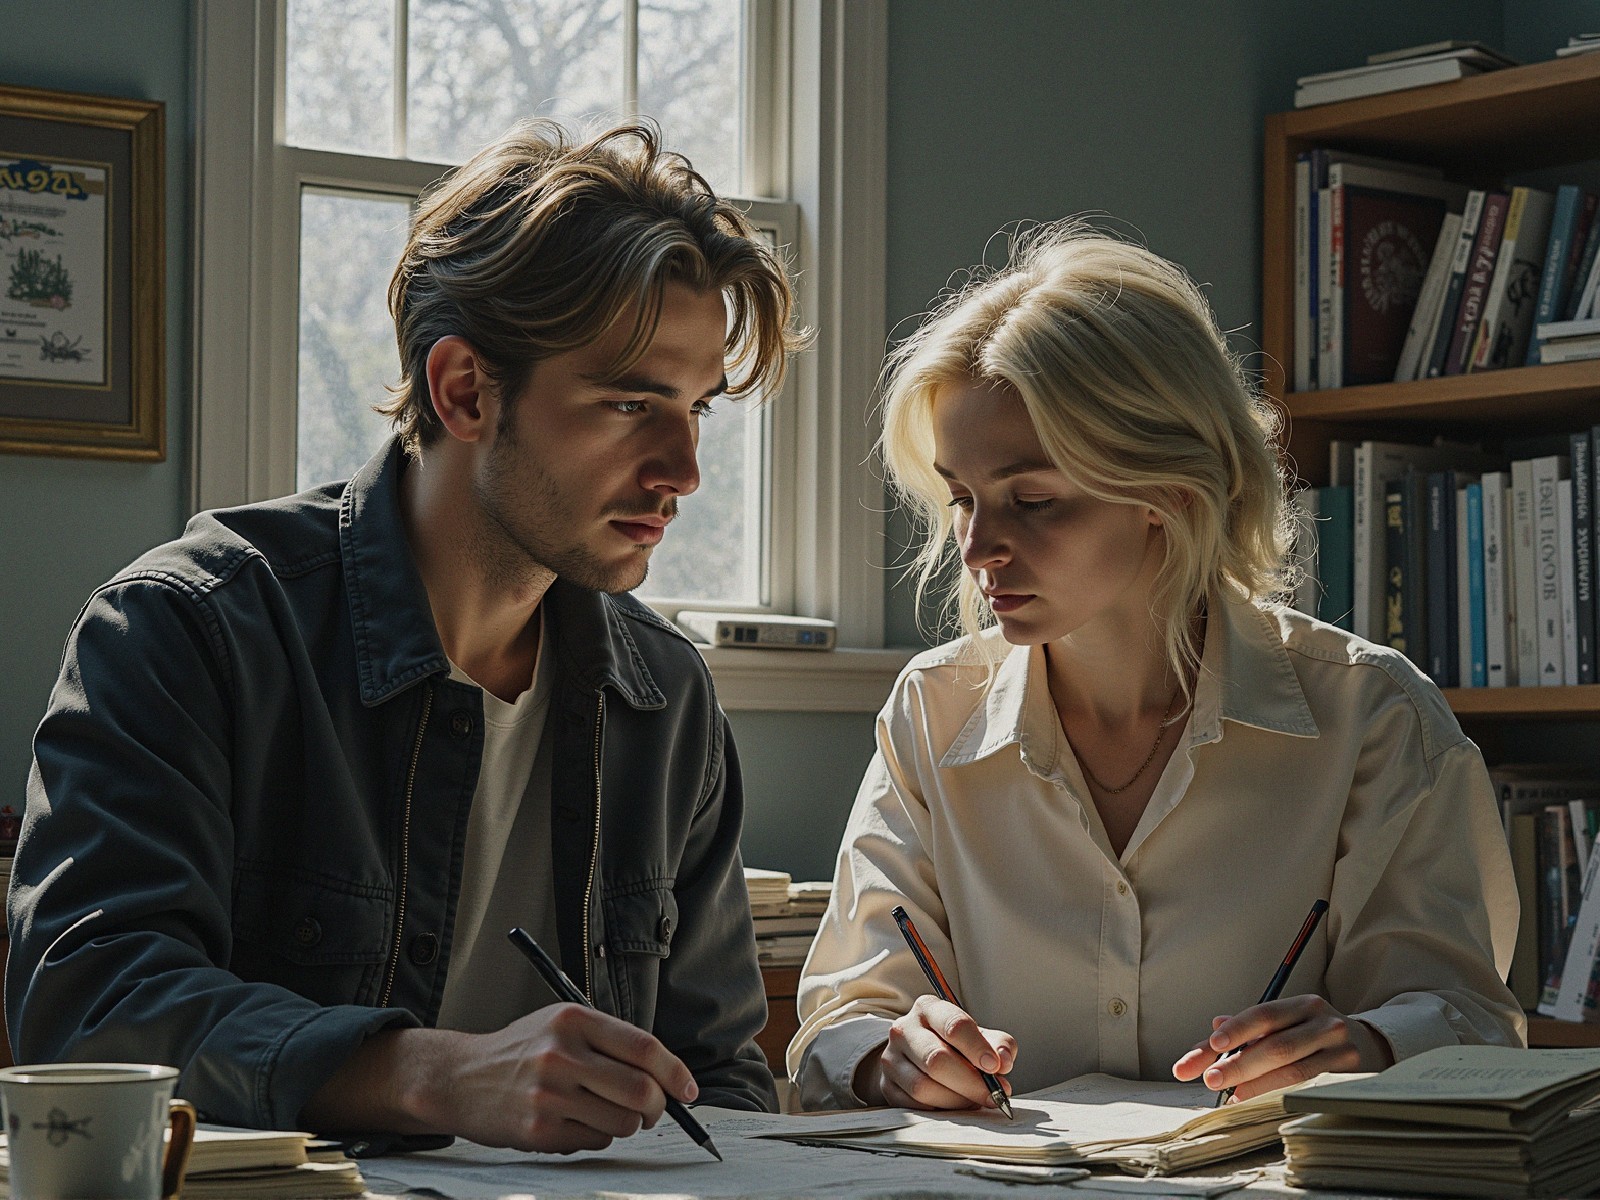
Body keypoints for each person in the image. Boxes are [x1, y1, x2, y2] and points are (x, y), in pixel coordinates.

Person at [10, 120, 805, 1154]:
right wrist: (432, 1075)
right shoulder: (189, 628)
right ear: (464, 389)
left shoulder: (663, 694)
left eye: (698, 409)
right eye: (628, 402)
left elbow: (721, 1085)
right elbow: (90, 1010)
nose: (683, 470)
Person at [787, 222, 1524, 1114]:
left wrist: (1365, 1042)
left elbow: (1472, 1022)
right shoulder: (932, 715)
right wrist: (887, 1055)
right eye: (962, 498)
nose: (979, 547)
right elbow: (840, 1020)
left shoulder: (1374, 720)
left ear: (1170, 493)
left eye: (1033, 500)